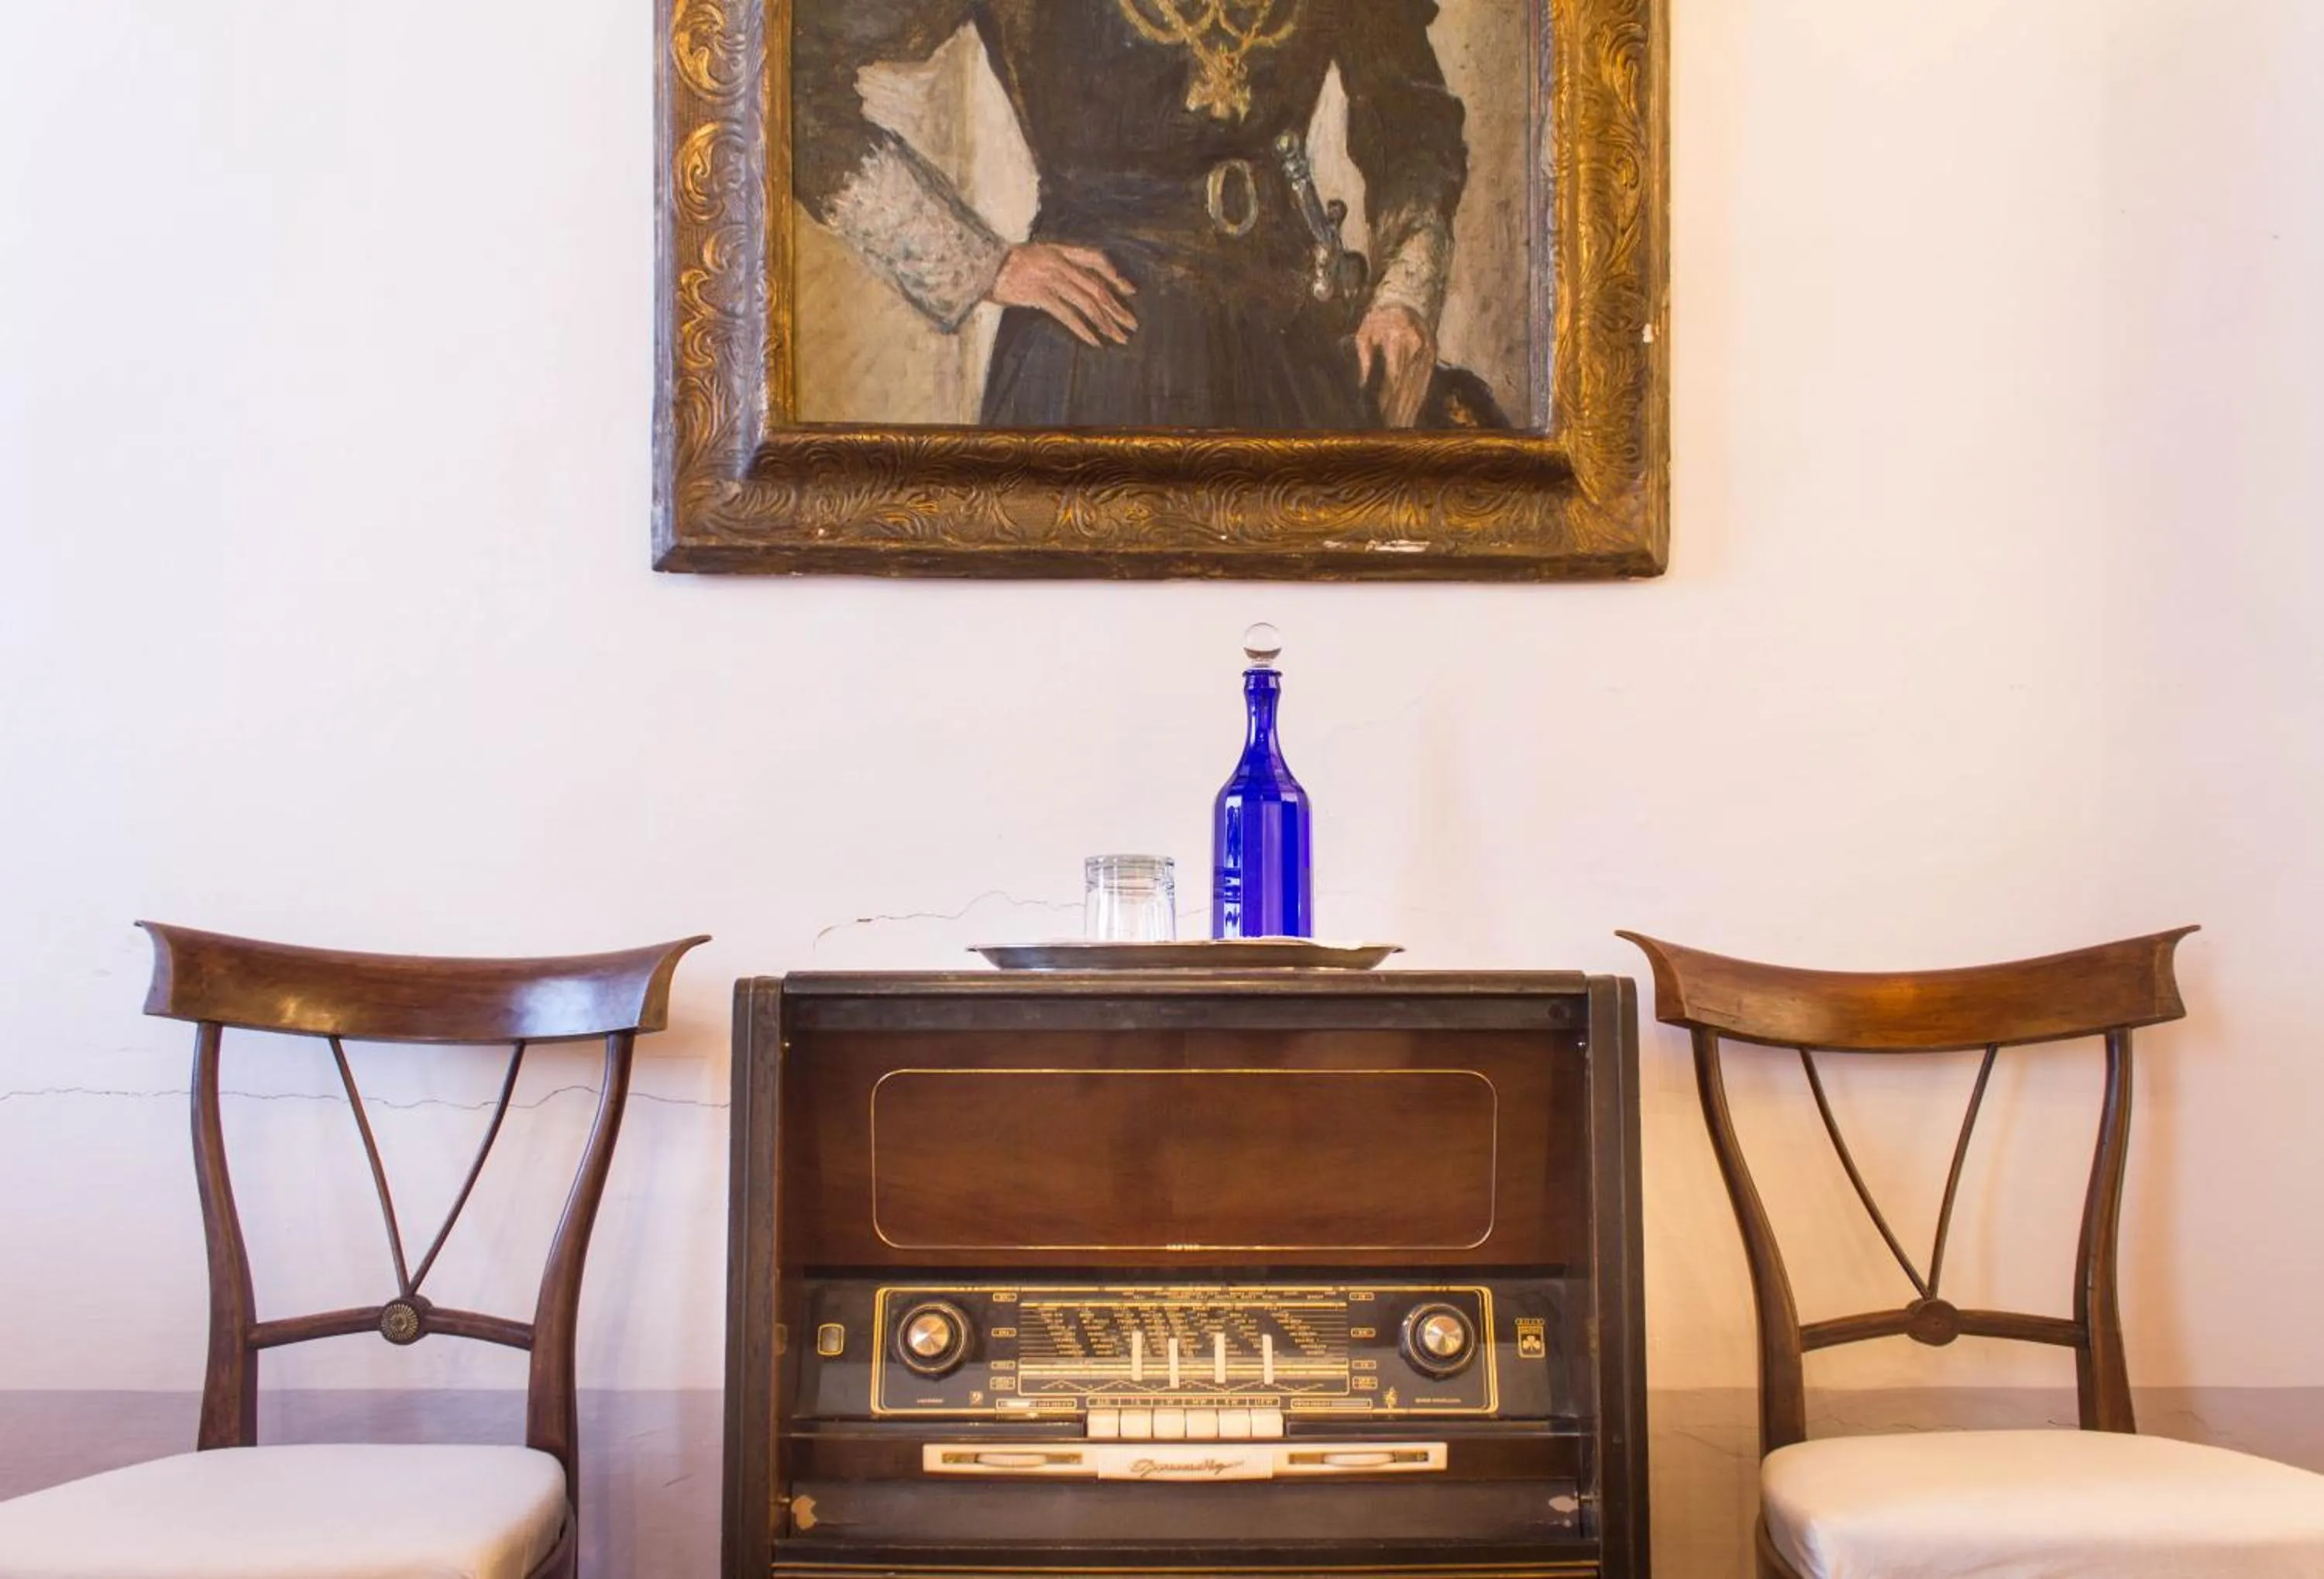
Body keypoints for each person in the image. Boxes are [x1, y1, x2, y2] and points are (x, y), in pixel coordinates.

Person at [794, 0, 1473, 430]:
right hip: (1098, 358)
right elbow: (787, 86)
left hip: (1291, 343)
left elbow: (1411, 119)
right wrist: (982, 263)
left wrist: (1405, 295)